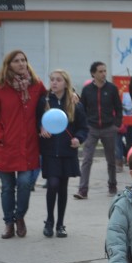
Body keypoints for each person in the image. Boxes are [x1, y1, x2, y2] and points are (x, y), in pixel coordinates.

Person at [0, 50, 47, 239]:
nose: (21, 64)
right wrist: (0, 134)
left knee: (25, 183)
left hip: (29, 145)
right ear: (8, 65)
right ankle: (9, 223)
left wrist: (73, 96)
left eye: (24, 60)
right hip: (6, 145)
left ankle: (19, 216)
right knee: (7, 187)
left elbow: (50, 101)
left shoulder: (36, 85)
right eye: (17, 61)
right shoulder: (0, 87)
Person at [37, 70, 88, 238]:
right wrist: (41, 128)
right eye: (52, 80)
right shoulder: (44, 101)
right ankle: (49, 220)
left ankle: (60, 224)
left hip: (67, 152)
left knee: (63, 188)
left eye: (58, 80)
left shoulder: (74, 103)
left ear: (66, 83)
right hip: (50, 151)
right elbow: (36, 120)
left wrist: (78, 139)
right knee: (52, 184)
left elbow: (83, 127)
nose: (54, 83)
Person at [75, 61, 122, 199]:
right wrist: (83, 125)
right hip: (91, 128)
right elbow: (82, 109)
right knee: (87, 159)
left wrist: (116, 125)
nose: (103, 74)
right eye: (100, 71)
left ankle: (112, 185)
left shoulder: (112, 89)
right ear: (93, 74)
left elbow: (118, 108)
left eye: (104, 71)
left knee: (111, 160)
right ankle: (82, 190)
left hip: (108, 128)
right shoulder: (87, 90)